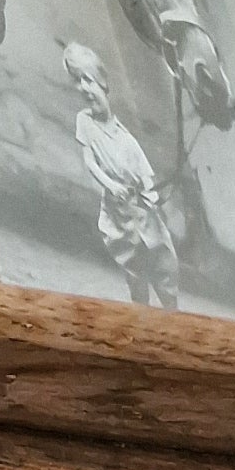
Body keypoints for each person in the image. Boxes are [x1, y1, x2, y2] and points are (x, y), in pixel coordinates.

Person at [61, 42, 180, 309]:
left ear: (103, 83)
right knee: (134, 270)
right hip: (117, 213)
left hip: (142, 211)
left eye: (88, 80)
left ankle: (173, 312)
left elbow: (146, 176)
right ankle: (142, 314)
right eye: (77, 82)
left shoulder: (127, 139)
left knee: (163, 265)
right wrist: (112, 185)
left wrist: (151, 195)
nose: (83, 88)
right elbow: (90, 163)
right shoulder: (84, 122)